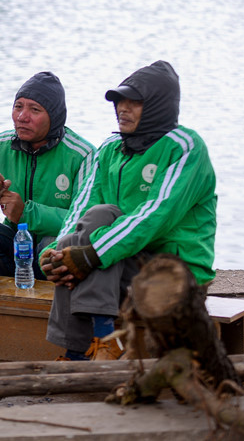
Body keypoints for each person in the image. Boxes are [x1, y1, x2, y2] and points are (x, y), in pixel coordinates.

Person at [40, 60, 217, 361]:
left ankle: (100, 341)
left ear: (158, 106)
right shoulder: (110, 148)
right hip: (125, 267)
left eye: (133, 102)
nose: (122, 109)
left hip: (175, 272)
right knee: (86, 228)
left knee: (103, 226)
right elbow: (81, 206)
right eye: (119, 101)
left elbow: (154, 216)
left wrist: (92, 254)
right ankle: (83, 350)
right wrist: (56, 251)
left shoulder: (185, 147)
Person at [0, 72, 95, 281]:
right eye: (18, 106)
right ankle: (5, 285)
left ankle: (46, 293)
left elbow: (85, 222)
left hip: (53, 255)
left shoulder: (82, 154)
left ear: (54, 116)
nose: (22, 117)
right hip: (16, 248)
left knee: (54, 241)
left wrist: (25, 213)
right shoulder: (1, 145)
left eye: (35, 109)